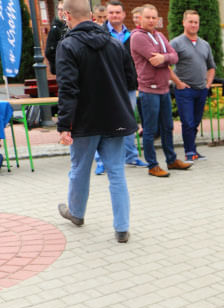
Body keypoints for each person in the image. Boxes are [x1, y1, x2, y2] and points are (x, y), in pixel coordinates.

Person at [55, 0, 136, 243]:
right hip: (115, 119)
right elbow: (131, 81)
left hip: (85, 122)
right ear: (91, 15)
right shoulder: (115, 43)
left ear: (67, 15)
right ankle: (122, 228)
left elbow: (68, 89)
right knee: (117, 173)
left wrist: (64, 125)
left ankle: (77, 213)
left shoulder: (67, 45)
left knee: (79, 170)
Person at [130, 4, 193, 177]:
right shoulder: (137, 37)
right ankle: (152, 165)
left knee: (167, 127)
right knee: (150, 131)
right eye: (148, 17)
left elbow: (175, 56)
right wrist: (166, 58)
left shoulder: (159, 35)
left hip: (164, 89)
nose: (151, 20)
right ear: (140, 18)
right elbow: (153, 60)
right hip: (149, 90)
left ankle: (171, 160)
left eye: (154, 17)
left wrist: (164, 57)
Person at [93, 0, 148, 174]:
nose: (115, 15)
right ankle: (101, 161)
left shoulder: (132, 36)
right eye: (111, 13)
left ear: (124, 15)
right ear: (106, 15)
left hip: (128, 86)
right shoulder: (99, 34)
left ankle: (131, 156)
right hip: (107, 87)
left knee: (129, 122)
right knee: (104, 124)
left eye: (118, 12)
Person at [170, 10, 216, 162]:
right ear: (184, 23)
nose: (194, 25)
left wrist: (208, 84)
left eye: (196, 22)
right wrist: (178, 83)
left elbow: (211, 67)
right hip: (185, 91)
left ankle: (193, 150)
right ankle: (189, 152)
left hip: (201, 90)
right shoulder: (176, 43)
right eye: (190, 21)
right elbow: (166, 66)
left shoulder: (205, 44)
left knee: (195, 122)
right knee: (188, 122)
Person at [45, 1, 68, 75]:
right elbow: (49, 52)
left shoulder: (68, 26)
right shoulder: (55, 29)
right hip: (62, 69)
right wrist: (61, 62)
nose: (60, 12)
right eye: (58, 9)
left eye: (62, 9)